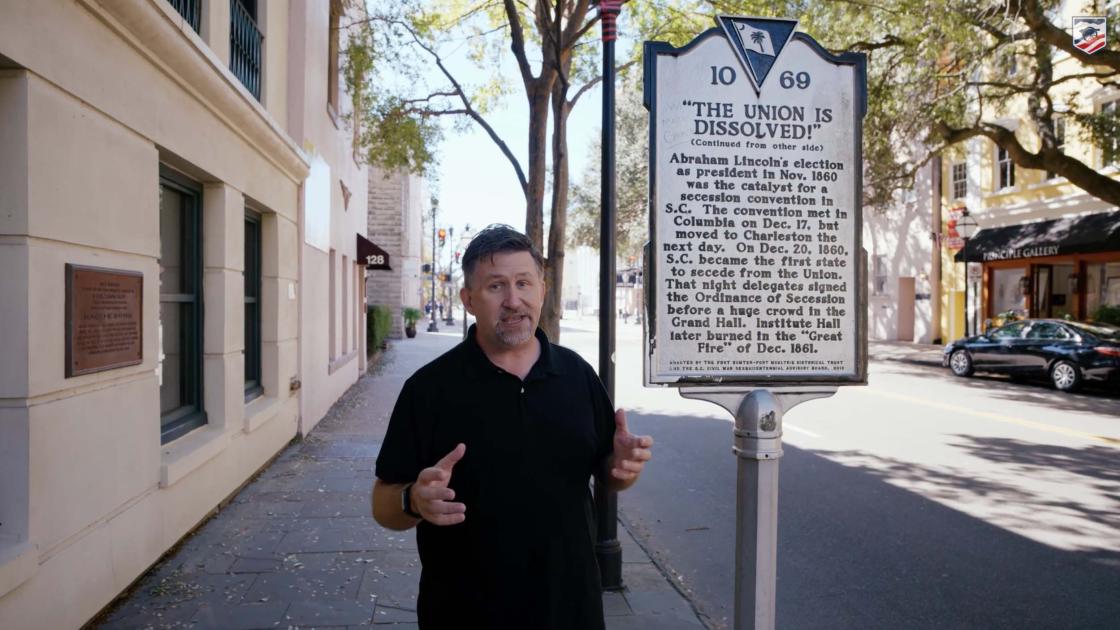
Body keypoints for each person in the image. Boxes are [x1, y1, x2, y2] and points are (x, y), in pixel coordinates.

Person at [371, 224, 653, 629]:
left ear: (543, 289)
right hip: (463, 611)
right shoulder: (428, 389)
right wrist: (414, 501)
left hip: (571, 607)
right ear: (468, 299)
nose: (513, 300)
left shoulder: (577, 375)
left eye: (524, 283)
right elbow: (383, 504)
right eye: (495, 287)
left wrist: (621, 468)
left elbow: (607, 476)